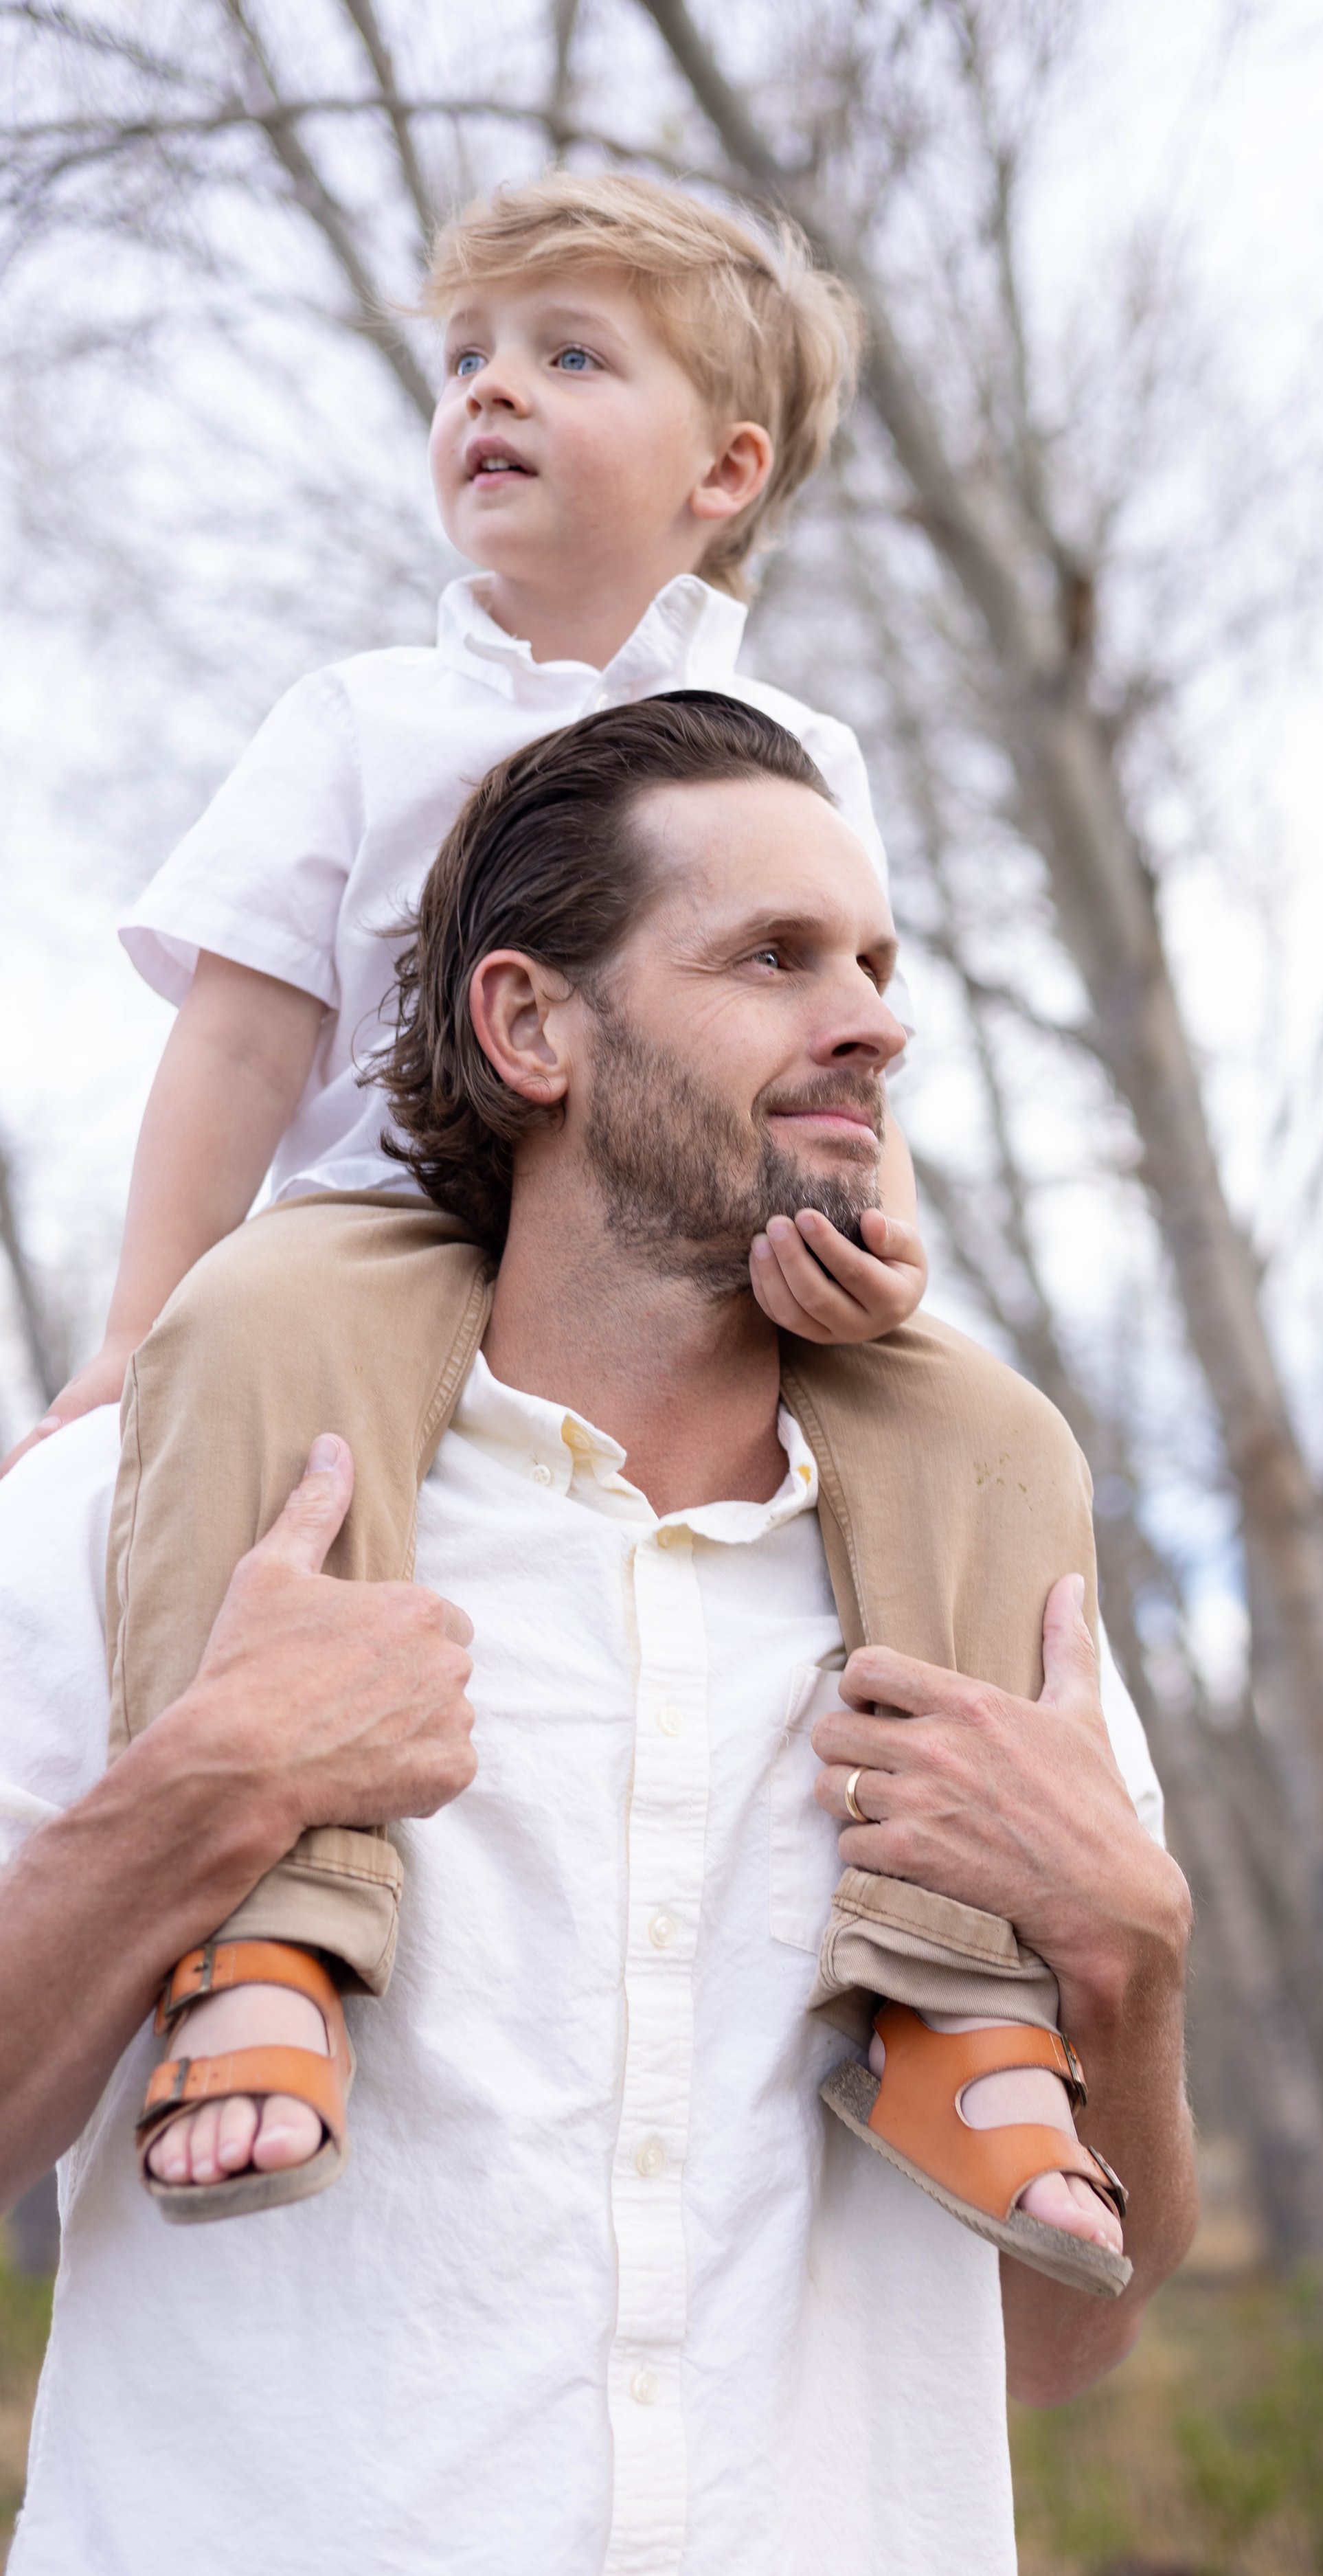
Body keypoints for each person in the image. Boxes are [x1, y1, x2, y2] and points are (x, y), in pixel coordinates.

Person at [0, 697, 1196, 2575]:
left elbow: (1062, 2345)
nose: (873, 1021)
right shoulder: (145, 1513)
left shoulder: (980, 1595)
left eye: (876, 968)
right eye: (773, 957)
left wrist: (1129, 1956)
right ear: (529, 1026)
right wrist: (211, 1784)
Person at [0, 172, 929, 2176]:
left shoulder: (792, 750)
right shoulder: (361, 719)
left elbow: (842, 1030)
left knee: (972, 1421)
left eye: (567, 356)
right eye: (465, 361)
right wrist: (136, 1331)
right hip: (382, 1229)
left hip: (684, 1261)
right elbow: (240, 1042)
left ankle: (961, 1994)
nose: (488, 392)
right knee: (253, 1339)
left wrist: (881, 1240)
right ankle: (267, 1937)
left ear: (725, 469)